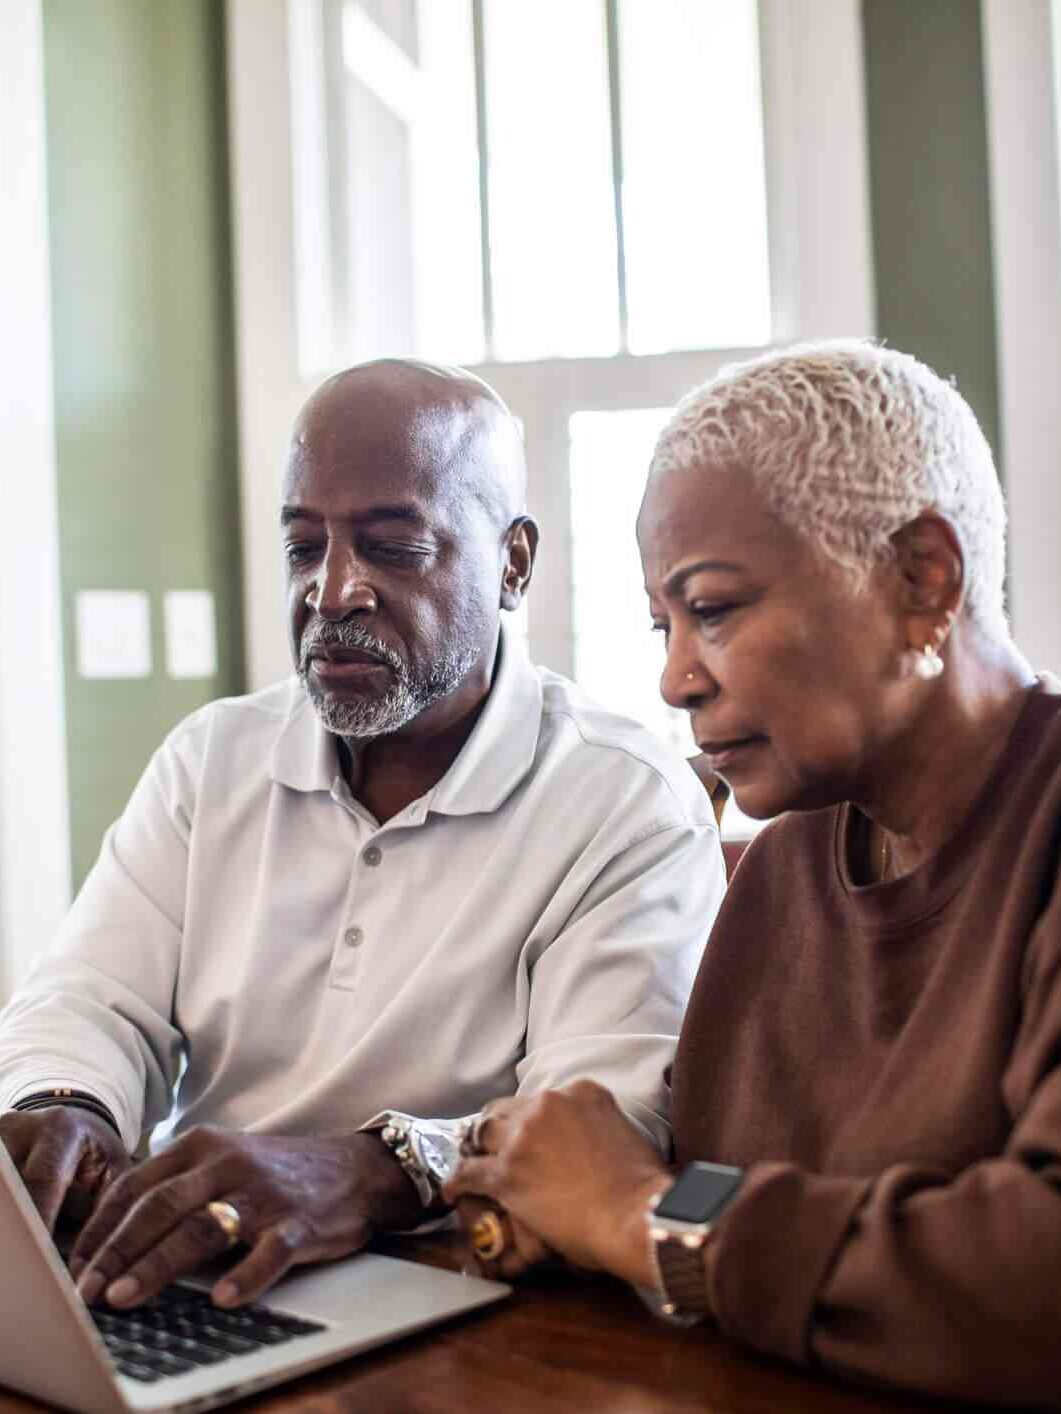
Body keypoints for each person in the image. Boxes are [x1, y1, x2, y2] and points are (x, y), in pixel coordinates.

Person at [0, 360, 722, 1312]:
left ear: (513, 562)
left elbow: (602, 1125)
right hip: (186, 1271)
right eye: (304, 548)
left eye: (391, 546)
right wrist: (66, 1105)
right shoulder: (213, 758)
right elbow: (89, 1000)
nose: (331, 591)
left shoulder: (624, 799)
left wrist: (372, 1170)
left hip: (461, 1287)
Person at [446, 340, 1061, 1410]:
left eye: (714, 608)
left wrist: (638, 1217)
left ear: (924, 579)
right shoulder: (780, 873)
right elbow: (718, 1197)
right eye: (662, 623)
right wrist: (567, 1207)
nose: (676, 677)